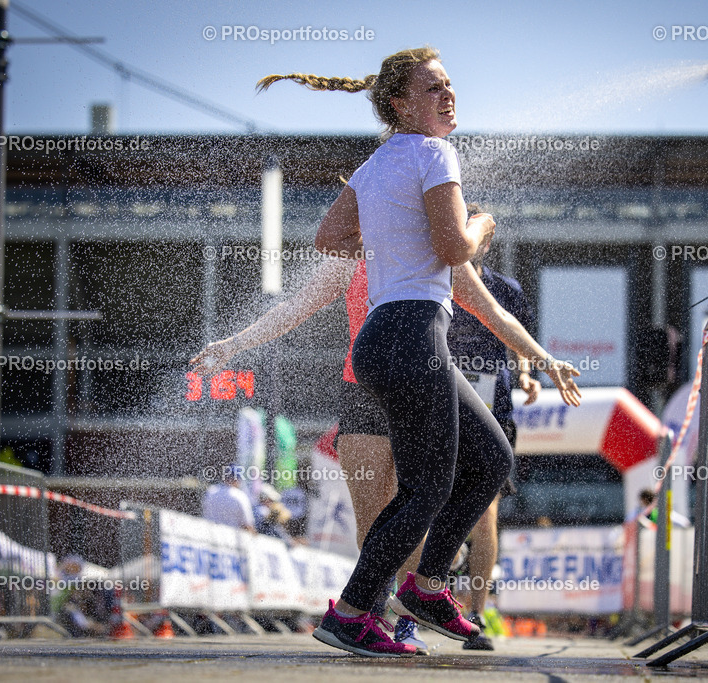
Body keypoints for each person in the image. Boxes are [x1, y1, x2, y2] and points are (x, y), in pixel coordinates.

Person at [195, 47, 579, 658]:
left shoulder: (374, 167)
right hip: (410, 336)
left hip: (390, 341)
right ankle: (355, 611)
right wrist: (483, 225)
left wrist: (543, 359)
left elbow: (327, 236)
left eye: (450, 85)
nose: (448, 96)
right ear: (399, 103)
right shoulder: (433, 152)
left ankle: (424, 590)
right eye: (433, 88)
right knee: (427, 489)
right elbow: (457, 247)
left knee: (488, 457)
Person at [447, 203, 539, 650]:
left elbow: (516, 336)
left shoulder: (506, 289)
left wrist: (525, 373)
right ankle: (418, 603)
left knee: (486, 517)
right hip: (441, 411)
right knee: (428, 504)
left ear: (486, 241)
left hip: (493, 412)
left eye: (477, 234)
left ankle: (477, 615)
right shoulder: (437, 283)